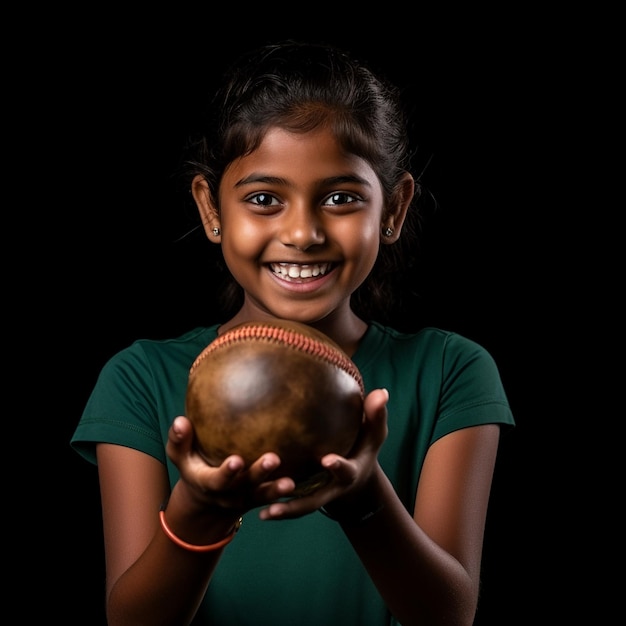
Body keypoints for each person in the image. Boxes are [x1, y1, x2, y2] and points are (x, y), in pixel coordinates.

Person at [71, 39, 515, 626]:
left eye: (340, 198)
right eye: (263, 199)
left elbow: (448, 615)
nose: (302, 233)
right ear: (210, 210)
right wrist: (198, 513)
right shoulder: (139, 377)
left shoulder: (450, 369)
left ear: (394, 210)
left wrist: (363, 500)